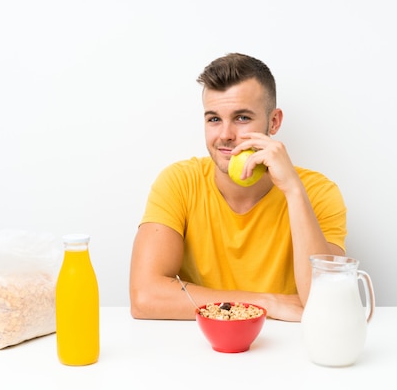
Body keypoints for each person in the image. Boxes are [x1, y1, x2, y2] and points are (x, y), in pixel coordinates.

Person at [129, 53, 347, 322]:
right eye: (214, 119)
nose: (225, 135)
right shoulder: (179, 182)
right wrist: (266, 303)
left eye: (242, 118)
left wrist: (292, 189)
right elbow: (145, 298)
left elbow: (326, 302)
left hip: (291, 348)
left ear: (274, 122)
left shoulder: (318, 192)